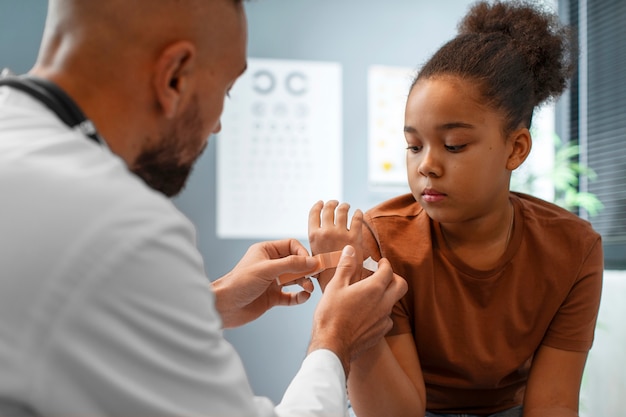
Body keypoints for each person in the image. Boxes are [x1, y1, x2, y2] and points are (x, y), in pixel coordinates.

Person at [0, 0, 408, 416]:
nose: (217, 125)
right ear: (175, 76)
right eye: (226, 91)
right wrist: (335, 339)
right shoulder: (119, 226)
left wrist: (207, 303)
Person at [309, 1, 603, 416]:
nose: (426, 164)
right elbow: (397, 413)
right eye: (413, 146)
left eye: (454, 146)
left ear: (515, 149)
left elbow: (552, 404)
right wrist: (349, 296)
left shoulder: (574, 247)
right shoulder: (382, 238)